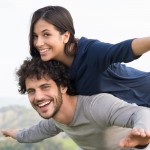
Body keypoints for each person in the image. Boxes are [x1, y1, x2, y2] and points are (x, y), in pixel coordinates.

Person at [2, 58, 150, 150]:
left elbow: (141, 113)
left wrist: (142, 130)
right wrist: (13, 133)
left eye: (45, 87)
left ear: (63, 86)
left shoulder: (95, 106)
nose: (38, 97)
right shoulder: (57, 121)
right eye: (31, 91)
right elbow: (32, 133)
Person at [29, 5, 150, 107]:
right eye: (35, 36)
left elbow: (122, 49)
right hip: (133, 117)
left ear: (65, 36)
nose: (38, 43)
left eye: (46, 34)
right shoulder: (51, 68)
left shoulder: (90, 51)